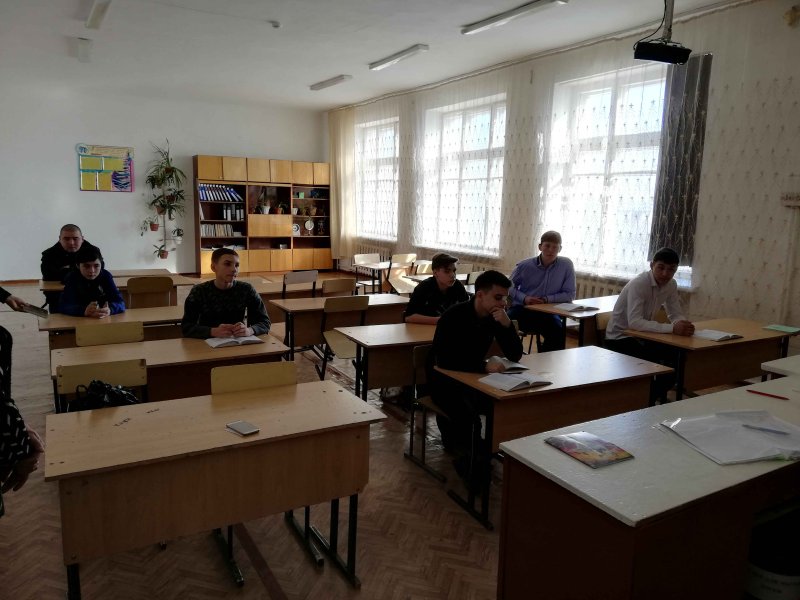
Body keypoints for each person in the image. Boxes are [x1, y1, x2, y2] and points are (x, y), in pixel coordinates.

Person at [428, 270, 523, 490]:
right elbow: (444, 359)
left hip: (474, 380)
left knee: (502, 409)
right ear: (480, 295)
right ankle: (475, 468)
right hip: (443, 381)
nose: (503, 303)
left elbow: (515, 354)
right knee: (470, 419)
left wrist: (507, 325)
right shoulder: (453, 316)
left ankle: (481, 455)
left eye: (505, 298)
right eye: (498, 297)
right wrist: (482, 366)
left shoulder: (496, 316)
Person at [604, 247, 694, 402]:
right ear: (652, 265)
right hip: (619, 338)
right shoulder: (639, 283)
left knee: (677, 356)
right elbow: (634, 323)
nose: (665, 273)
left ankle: (653, 396)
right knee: (655, 360)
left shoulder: (671, 284)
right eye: (661, 267)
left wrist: (682, 323)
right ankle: (646, 399)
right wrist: (672, 328)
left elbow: (675, 313)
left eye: (671, 269)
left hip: (643, 336)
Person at [507, 231, 576, 352]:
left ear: (560, 249)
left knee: (557, 332)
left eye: (555, 247)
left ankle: (545, 359)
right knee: (504, 324)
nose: (551, 250)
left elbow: (569, 294)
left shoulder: (566, 265)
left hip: (548, 312)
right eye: (547, 246)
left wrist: (546, 299)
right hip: (523, 309)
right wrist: (525, 298)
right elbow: (508, 286)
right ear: (540, 247)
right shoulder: (524, 265)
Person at [182, 248, 270, 339]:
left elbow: (265, 322)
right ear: (213, 267)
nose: (234, 269)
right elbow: (186, 327)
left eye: (237, 265)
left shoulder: (246, 289)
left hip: (238, 342)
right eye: (227, 264)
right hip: (208, 342)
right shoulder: (199, 291)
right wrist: (213, 331)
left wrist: (249, 330)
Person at [41, 224, 102, 313]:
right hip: (59, 298)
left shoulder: (93, 251)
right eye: (66, 239)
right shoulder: (49, 255)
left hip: (88, 295)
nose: (71, 242)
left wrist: (67, 270)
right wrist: (81, 271)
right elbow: (49, 277)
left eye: (75, 238)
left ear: (82, 239)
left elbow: (99, 271)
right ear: (60, 239)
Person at [58, 246, 125, 318]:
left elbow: (120, 303)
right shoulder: (72, 278)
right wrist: (83, 311)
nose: (92, 271)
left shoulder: (106, 276)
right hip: (79, 320)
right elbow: (63, 306)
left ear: (101, 265)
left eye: (96, 266)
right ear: (78, 265)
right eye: (86, 266)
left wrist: (110, 310)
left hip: (103, 319)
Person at [404, 253, 470, 325]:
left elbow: (468, 309)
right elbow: (409, 317)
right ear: (435, 273)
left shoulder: (457, 285)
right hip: (424, 328)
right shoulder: (424, 287)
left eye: (454, 271)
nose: (453, 275)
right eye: (447, 271)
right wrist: (441, 320)